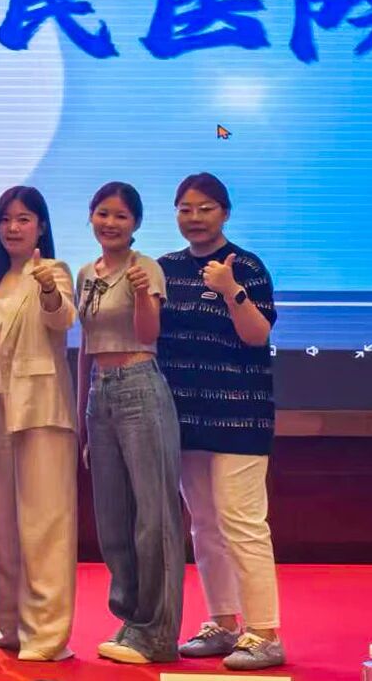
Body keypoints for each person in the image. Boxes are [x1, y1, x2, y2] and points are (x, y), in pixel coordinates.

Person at [158, 173, 285, 672]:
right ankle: (224, 622)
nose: (194, 218)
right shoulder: (165, 268)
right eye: (185, 208)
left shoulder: (246, 266)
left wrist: (231, 291)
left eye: (205, 208)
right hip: (185, 415)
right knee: (205, 525)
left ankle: (266, 633)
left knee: (241, 521)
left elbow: (257, 335)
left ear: (225, 213)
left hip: (240, 414)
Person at [75, 182, 183, 666]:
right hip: (100, 393)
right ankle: (130, 620)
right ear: (91, 217)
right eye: (103, 213)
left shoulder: (146, 269)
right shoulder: (85, 273)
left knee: (153, 518)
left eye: (121, 216)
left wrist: (141, 295)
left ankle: (157, 633)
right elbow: (86, 344)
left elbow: (148, 333)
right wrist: (82, 413)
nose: (110, 223)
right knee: (113, 517)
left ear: (135, 223)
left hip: (140, 385)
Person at [0, 184, 77, 662]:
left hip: (40, 409)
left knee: (44, 523)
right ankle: (12, 625)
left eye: (24, 219)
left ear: (41, 226)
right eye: (6, 219)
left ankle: (47, 634)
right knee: (4, 526)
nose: (13, 228)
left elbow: (62, 319)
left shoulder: (53, 270)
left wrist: (49, 289)